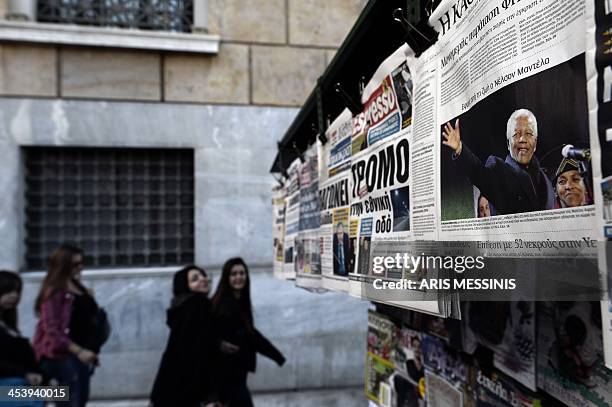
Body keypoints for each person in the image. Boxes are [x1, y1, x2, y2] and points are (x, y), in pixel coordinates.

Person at [442, 109, 555, 215]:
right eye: (516, 134)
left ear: (535, 143)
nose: (522, 139)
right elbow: (479, 173)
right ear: (508, 144)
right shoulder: (498, 170)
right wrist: (459, 149)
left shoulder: (546, 179)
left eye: (528, 134)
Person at [212, 258, 285, 407]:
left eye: (242, 273)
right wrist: (219, 344)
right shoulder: (225, 305)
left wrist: (276, 355)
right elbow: (208, 334)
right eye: (234, 274)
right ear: (227, 278)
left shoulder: (239, 302)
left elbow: (252, 334)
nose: (239, 277)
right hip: (226, 375)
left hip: (237, 373)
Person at [33, 244, 100, 407]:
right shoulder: (54, 292)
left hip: (82, 355)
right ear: (63, 266)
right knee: (70, 400)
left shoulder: (78, 287)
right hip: (61, 355)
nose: (80, 267)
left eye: (81, 263)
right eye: (75, 264)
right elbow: (52, 331)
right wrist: (79, 351)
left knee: (79, 398)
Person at [150, 266, 219, 407]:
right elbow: (199, 352)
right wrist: (209, 395)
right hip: (187, 389)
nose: (203, 279)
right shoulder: (199, 304)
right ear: (185, 286)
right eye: (195, 279)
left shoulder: (181, 308)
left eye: (202, 275)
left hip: (169, 388)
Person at [0, 271, 43, 407]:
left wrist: (43, 377)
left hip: (22, 384)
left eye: (17, 291)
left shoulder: (8, 325)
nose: (15, 296)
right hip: (8, 387)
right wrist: (25, 374)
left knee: (62, 393)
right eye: (8, 291)